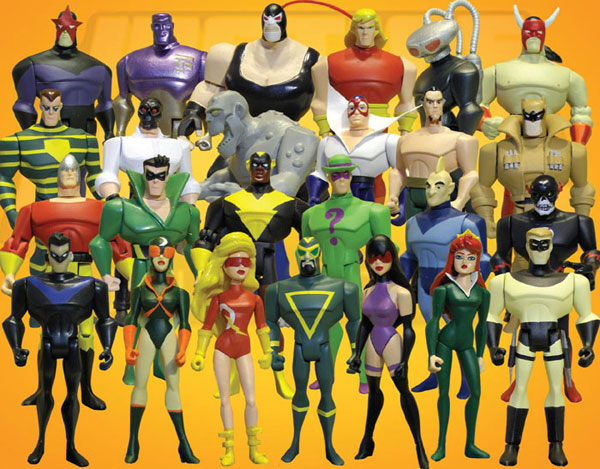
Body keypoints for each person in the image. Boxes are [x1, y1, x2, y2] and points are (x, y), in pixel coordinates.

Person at [3, 232, 116, 466]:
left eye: (64, 255)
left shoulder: (91, 285)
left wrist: (108, 347)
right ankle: (40, 443)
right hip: (47, 342)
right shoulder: (28, 284)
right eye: (55, 256)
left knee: (72, 395)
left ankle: (71, 447)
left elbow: (105, 319)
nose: (60, 260)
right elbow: (13, 319)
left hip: (73, 344)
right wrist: (16, 347)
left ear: (71, 256)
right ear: (48, 256)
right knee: (45, 393)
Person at [191, 232, 272, 466]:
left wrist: (268, 352)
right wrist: (199, 353)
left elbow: (262, 327)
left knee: (251, 399)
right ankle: (229, 449)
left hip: (244, 349)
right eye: (235, 262)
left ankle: (254, 448)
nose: (241, 267)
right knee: (225, 400)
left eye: (246, 262)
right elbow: (207, 327)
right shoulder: (219, 298)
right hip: (222, 349)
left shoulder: (255, 299)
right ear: (224, 266)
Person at [348, 235, 428, 468]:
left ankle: (419, 444)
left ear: (392, 258)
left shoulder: (401, 292)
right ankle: (367, 439)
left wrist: (405, 360)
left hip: (391, 341)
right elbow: (364, 324)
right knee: (373, 392)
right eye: (373, 257)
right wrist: (356, 353)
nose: (378, 262)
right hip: (372, 343)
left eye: (384, 257)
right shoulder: (367, 290)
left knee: (403, 391)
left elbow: (409, 329)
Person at [123, 237, 198, 464]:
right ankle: (132, 442)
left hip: (168, 336)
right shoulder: (139, 290)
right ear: (151, 256)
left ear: (173, 256)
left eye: (167, 253)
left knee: (174, 387)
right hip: (147, 335)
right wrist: (128, 347)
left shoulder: (180, 293)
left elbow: (185, 323)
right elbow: (131, 318)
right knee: (139, 385)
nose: (162, 258)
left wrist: (183, 349)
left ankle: (183, 443)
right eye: (157, 252)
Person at [426, 231, 490, 461]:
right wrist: (431, 354)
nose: (464, 262)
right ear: (452, 258)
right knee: (444, 393)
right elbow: (434, 321)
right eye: (460, 256)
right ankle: (441, 445)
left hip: (467, 344)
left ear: (477, 260)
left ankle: (470, 444)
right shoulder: (443, 289)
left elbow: (482, 325)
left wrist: (480, 354)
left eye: (471, 257)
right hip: (445, 341)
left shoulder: (482, 292)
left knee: (476, 392)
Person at [114, 13, 207, 137]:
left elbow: (205, 101)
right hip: (145, 132)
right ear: (152, 27)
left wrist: (207, 135)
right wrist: (120, 133)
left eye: (166, 25)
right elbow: (122, 99)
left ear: (172, 26)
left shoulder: (199, 58)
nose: (162, 30)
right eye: (158, 25)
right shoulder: (129, 61)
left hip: (179, 132)